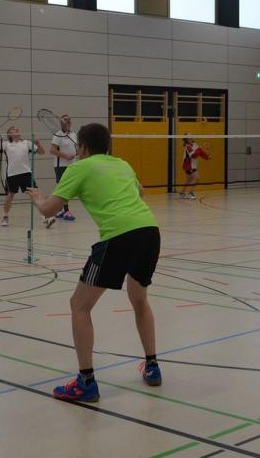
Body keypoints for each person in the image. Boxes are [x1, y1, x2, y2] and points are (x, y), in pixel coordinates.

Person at [26, 123, 161, 402]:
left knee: (79, 305)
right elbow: (141, 193)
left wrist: (38, 199)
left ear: (83, 147)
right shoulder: (122, 164)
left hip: (118, 236)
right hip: (149, 231)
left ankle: (86, 382)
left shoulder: (79, 168)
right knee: (139, 299)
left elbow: (49, 210)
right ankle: (152, 366)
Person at [0, 127, 54, 228]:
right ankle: (5, 216)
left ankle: (46, 217)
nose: (17, 129)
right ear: (9, 134)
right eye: (13, 129)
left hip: (26, 173)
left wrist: (38, 145)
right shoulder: (6, 144)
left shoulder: (27, 143)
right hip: (11, 175)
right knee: (9, 197)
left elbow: (41, 152)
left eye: (17, 129)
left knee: (35, 194)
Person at [49, 113, 78, 221]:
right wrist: (66, 156)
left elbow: (75, 148)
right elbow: (52, 150)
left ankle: (60, 210)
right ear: (61, 122)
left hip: (72, 165)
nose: (68, 121)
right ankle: (66, 211)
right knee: (64, 188)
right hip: (61, 166)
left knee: (67, 189)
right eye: (65, 119)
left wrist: (78, 152)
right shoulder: (58, 135)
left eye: (69, 119)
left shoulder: (73, 134)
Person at [179, 136, 210, 200]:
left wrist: (207, 157)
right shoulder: (188, 146)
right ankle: (189, 193)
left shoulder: (194, 144)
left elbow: (201, 152)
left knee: (189, 180)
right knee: (197, 178)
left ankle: (182, 193)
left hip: (191, 165)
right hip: (189, 165)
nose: (192, 138)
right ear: (187, 140)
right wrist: (198, 149)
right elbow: (193, 155)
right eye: (190, 137)